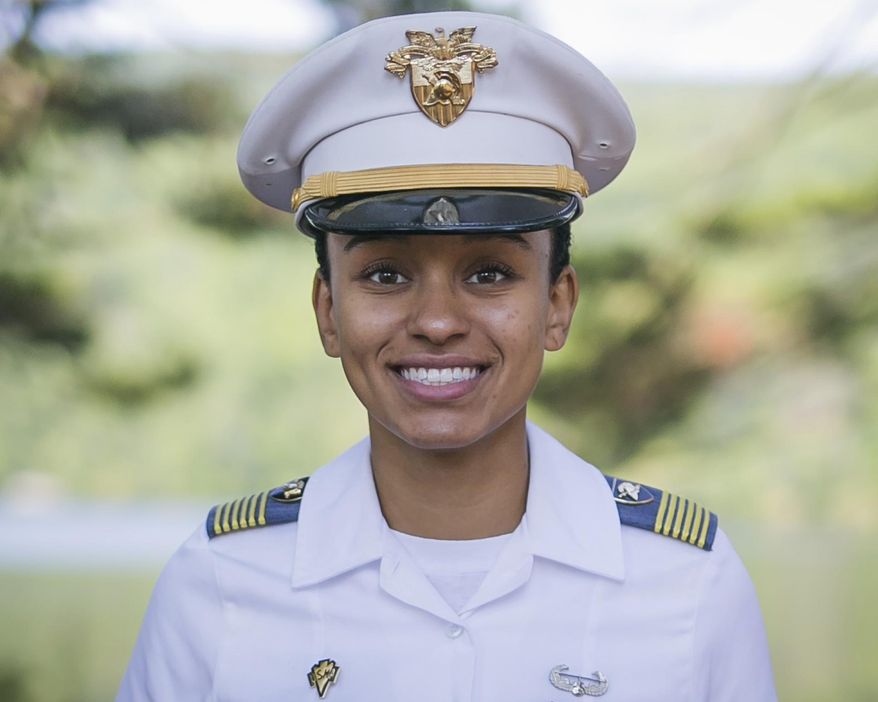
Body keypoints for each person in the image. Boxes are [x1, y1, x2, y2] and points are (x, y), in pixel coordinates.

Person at [118, 11, 777, 701]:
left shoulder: (683, 584)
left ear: (557, 306)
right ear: (328, 313)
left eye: (490, 273)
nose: (436, 321)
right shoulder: (221, 585)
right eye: (386, 274)